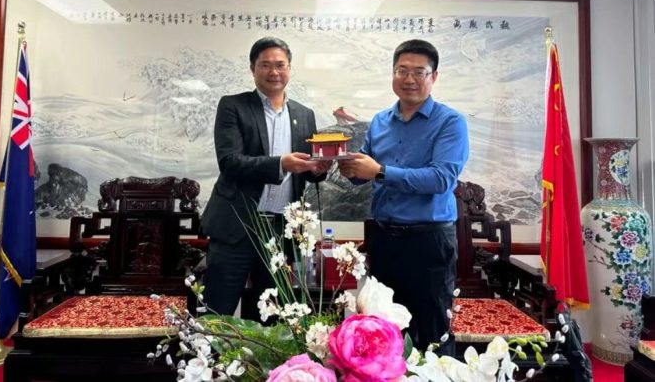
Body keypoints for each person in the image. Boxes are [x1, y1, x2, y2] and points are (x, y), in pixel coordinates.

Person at [338, 39, 469, 353]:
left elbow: (441, 179)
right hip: (384, 240)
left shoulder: (450, 122)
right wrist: (348, 168)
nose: (409, 79)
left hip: (428, 241)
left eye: (419, 72)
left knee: (432, 332)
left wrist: (380, 171)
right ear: (393, 74)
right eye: (402, 70)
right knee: (384, 332)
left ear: (433, 76)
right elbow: (366, 171)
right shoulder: (380, 121)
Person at [201, 37, 329, 318]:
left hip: (280, 232)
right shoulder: (233, 106)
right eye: (265, 65)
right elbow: (230, 162)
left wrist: (318, 170)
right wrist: (281, 164)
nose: (274, 72)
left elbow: (309, 171)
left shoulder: (304, 115)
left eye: (280, 65)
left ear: (290, 68)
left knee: (272, 318)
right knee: (216, 313)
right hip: (236, 228)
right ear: (253, 69)